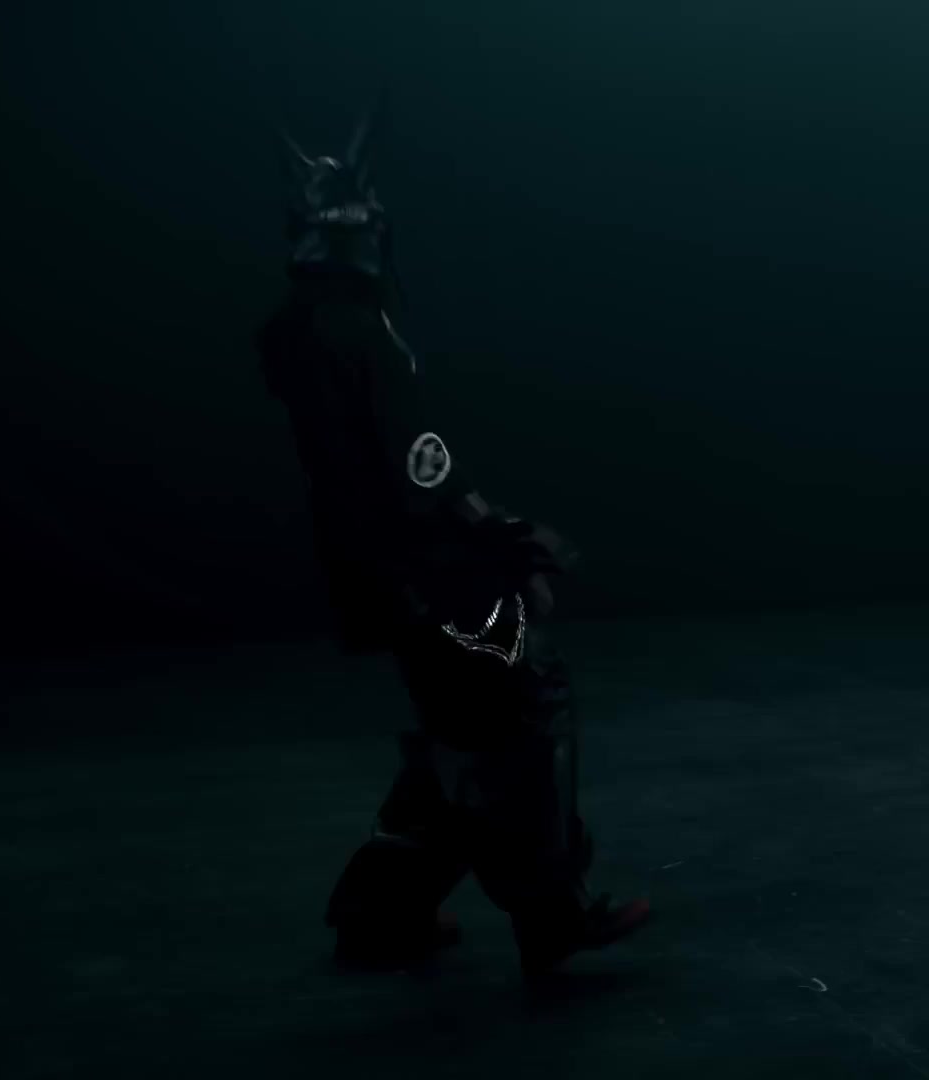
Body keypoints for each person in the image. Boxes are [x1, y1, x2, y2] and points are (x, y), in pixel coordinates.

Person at [255, 102, 650, 981]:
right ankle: (550, 918)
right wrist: (501, 535)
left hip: (379, 567)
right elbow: (416, 469)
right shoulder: (359, 332)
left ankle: (379, 912)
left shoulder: (299, 329)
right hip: (420, 569)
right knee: (516, 713)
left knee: (460, 728)